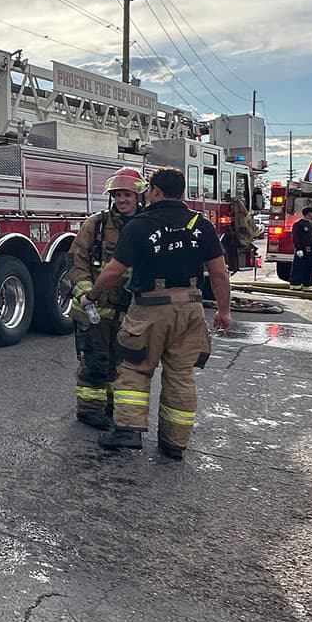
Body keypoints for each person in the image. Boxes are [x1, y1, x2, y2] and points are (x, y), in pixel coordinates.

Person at [87, 167, 231, 459]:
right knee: (181, 375)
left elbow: (114, 271)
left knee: (136, 368)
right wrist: (224, 312)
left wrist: (92, 294)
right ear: (181, 192)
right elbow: (219, 273)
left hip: (150, 309)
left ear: (154, 191)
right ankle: (174, 443)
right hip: (190, 309)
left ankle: (128, 430)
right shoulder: (200, 224)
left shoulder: (139, 225)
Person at [67, 170, 142, 430]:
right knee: (96, 361)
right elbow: (77, 261)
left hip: (131, 311)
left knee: (122, 364)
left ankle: (112, 407)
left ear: (138, 196)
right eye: (118, 195)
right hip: (96, 309)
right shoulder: (96, 225)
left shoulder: (145, 226)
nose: (122, 200)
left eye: (127, 195)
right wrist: (86, 295)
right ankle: (88, 411)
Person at [289, 206, 312, 291]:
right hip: (302, 250)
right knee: (299, 267)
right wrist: (298, 249)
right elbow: (295, 238)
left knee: (310, 268)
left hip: (311, 250)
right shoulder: (298, 224)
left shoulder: (310, 225)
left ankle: (308, 285)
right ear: (309, 214)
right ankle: (295, 284)